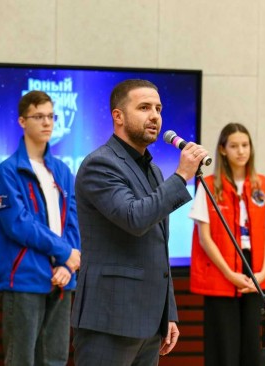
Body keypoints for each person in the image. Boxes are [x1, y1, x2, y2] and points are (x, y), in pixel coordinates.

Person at [70, 79, 209, 365]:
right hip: (110, 319)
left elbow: (158, 247)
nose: (155, 116)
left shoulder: (155, 171)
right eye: (144, 107)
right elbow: (134, 218)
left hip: (149, 322)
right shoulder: (100, 164)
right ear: (117, 116)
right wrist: (182, 176)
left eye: (158, 108)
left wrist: (168, 312)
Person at [0, 90, 81, 365]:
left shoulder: (63, 171)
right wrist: (65, 252)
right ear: (22, 121)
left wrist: (68, 265)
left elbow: (74, 221)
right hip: (24, 279)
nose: (47, 123)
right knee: (22, 359)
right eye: (38, 116)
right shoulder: (8, 171)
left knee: (54, 359)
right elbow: (19, 224)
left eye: (51, 116)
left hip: (62, 279)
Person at [188, 123, 265, 366]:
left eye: (245, 145)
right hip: (221, 272)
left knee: (253, 346)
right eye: (234, 146)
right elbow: (204, 238)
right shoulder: (207, 185)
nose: (241, 151)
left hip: (254, 274)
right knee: (224, 347)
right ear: (223, 150)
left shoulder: (261, 184)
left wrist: (261, 272)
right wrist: (229, 273)